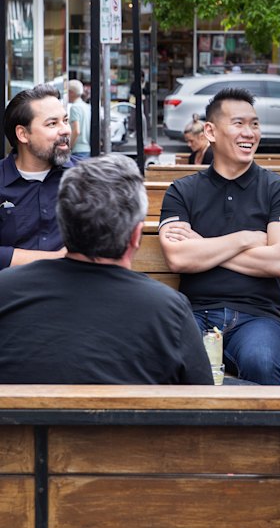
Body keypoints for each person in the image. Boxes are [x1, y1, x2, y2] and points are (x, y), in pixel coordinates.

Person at [0, 154, 213, 385]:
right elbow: (203, 402)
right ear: (135, 236)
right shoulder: (169, 311)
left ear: (63, 222)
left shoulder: (5, 290)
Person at [158, 87, 280, 385]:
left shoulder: (278, 189)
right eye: (238, 123)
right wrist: (247, 238)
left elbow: (279, 262)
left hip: (258, 317)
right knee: (170, 366)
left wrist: (202, 247)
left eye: (254, 124)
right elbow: (179, 257)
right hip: (195, 315)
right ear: (210, 131)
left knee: (260, 362)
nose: (249, 133)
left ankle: (267, 434)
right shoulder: (182, 191)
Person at [0, 83, 76, 270]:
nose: (65, 130)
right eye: (52, 123)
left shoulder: (85, 178)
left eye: (65, 120)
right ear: (23, 134)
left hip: (72, 292)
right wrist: (57, 258)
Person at [68, 78, 91, 158]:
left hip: (78, 150)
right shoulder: (87, 106)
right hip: (88, 148)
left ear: (71, 92)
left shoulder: (74, 107)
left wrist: (69, 147)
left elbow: (76, 131)